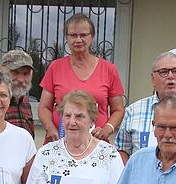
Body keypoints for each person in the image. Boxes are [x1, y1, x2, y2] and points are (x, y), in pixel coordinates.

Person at [38, 13, 125, 143]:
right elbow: (44, 107)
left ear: (92, 37)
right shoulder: (55, 67)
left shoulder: (109, 69)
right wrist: (50, 127)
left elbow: (118, 109)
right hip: (60, 142)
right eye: (73, 35)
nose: (78, 40)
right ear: (66, 37)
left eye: (83, 35)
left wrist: (107, 129)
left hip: (96, 143)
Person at [0, 49, 36, 138]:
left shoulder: (26, 103)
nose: (21, 80)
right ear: (1, 71)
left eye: (26, 74)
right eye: (15, 72)